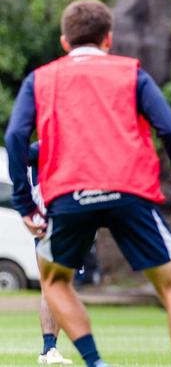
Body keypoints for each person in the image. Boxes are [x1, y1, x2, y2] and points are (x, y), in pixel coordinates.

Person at [5, 0, 171, 367]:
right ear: (108, 39)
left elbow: (16, 136)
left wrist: (24, 204)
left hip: (69, 196)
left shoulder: (41, 78)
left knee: (54, 281)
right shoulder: (132, 74)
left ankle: (94, 361)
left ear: (65, 42)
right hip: (127, 191)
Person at [27, 142, 73, 365]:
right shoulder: (41, 147)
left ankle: (50, 349)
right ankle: (48, 348)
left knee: (60, 287)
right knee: (52, 285)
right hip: (51, 222)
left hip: (67, 222)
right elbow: (21, 152)